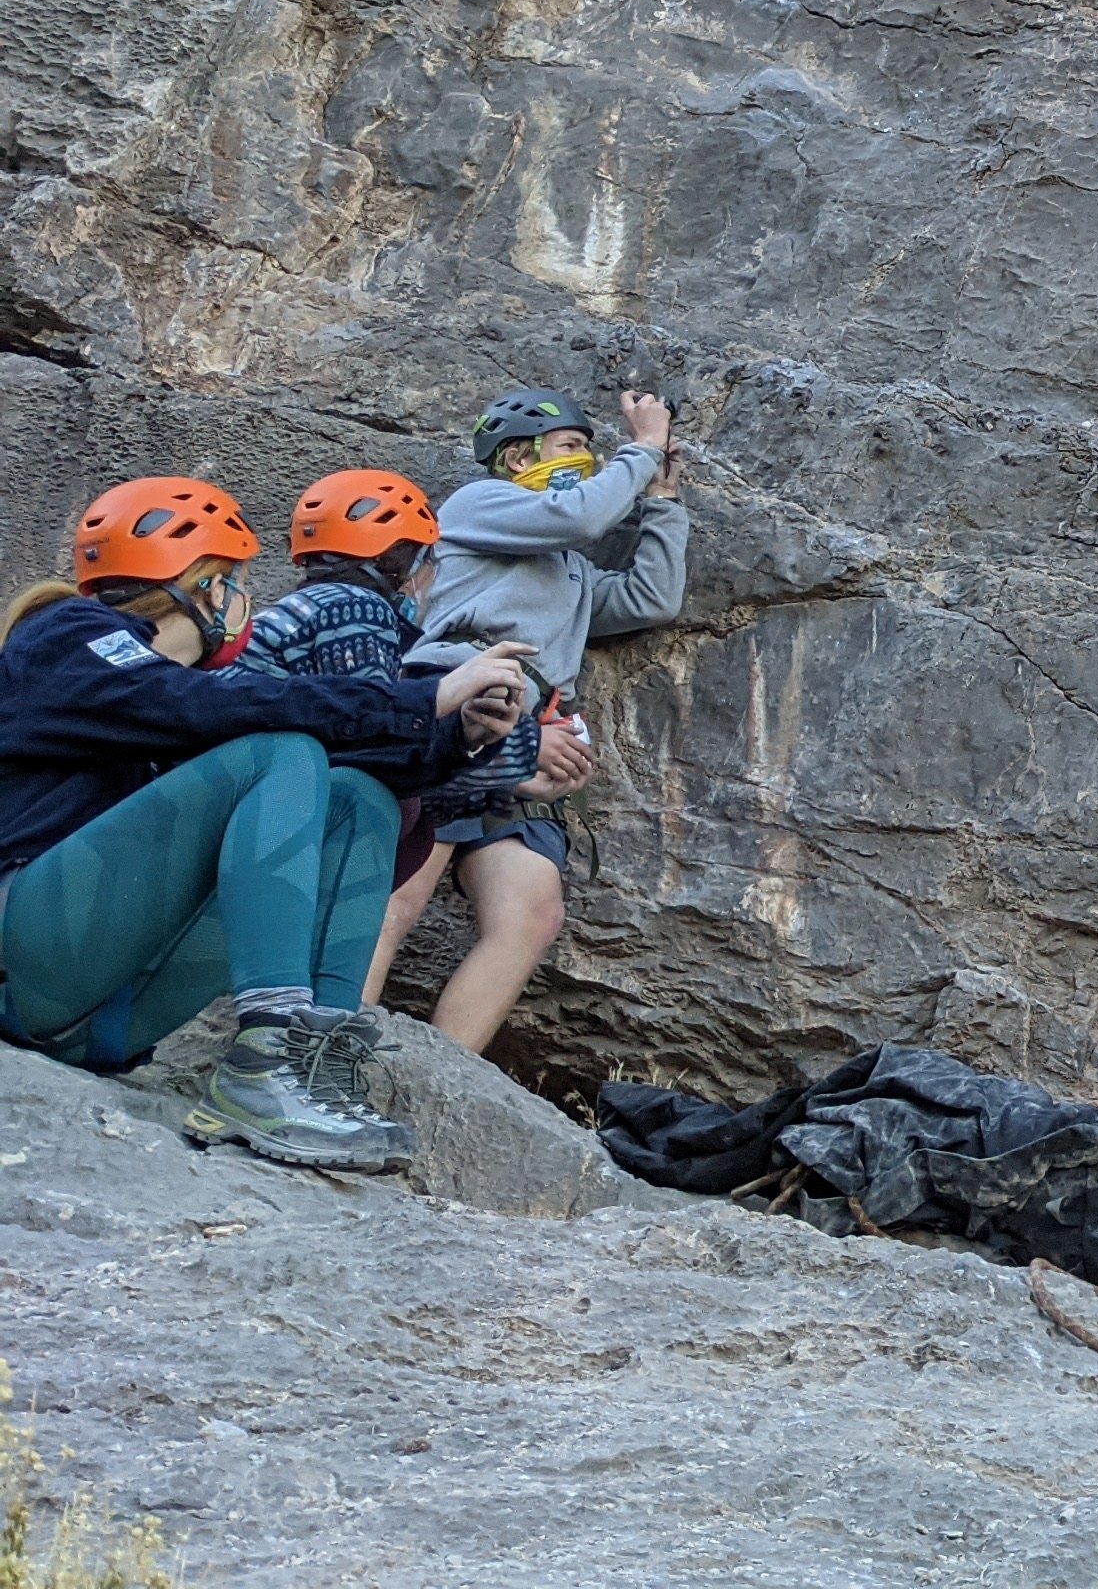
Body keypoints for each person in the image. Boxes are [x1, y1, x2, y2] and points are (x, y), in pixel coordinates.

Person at [0, 476, 525, 1169]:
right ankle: (268, 1055)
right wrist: (424, 694)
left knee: (356, 797)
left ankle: (312, 1064)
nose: (245, 605)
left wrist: (457, 736)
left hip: (110, 1012)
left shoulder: (167, 694)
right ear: (206, 587)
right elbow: (211, 709)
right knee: (279, 749)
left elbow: (319, 745)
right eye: (236, 582)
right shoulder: (67, 634)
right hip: (27, 960)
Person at [389, 386, 691, 1053]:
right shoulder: (477, 504)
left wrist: (662, 503)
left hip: (531, 734)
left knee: (531, 913)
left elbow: (651, 597)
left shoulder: (572, 571)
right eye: (573, 446)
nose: (586, 460)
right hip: (461, 703)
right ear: (517, 454)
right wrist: (641, 446)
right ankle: (325, 1055)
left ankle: (439, 1077)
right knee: (399, 898)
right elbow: (581, 516)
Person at [237, 469, 451, 1003]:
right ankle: (322, 997)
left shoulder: (309, 604)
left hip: (242, 780)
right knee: (389, 801)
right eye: (427, 560)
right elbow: (369, 726)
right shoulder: (358, 608)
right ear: (400, 561)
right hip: (266, 791)